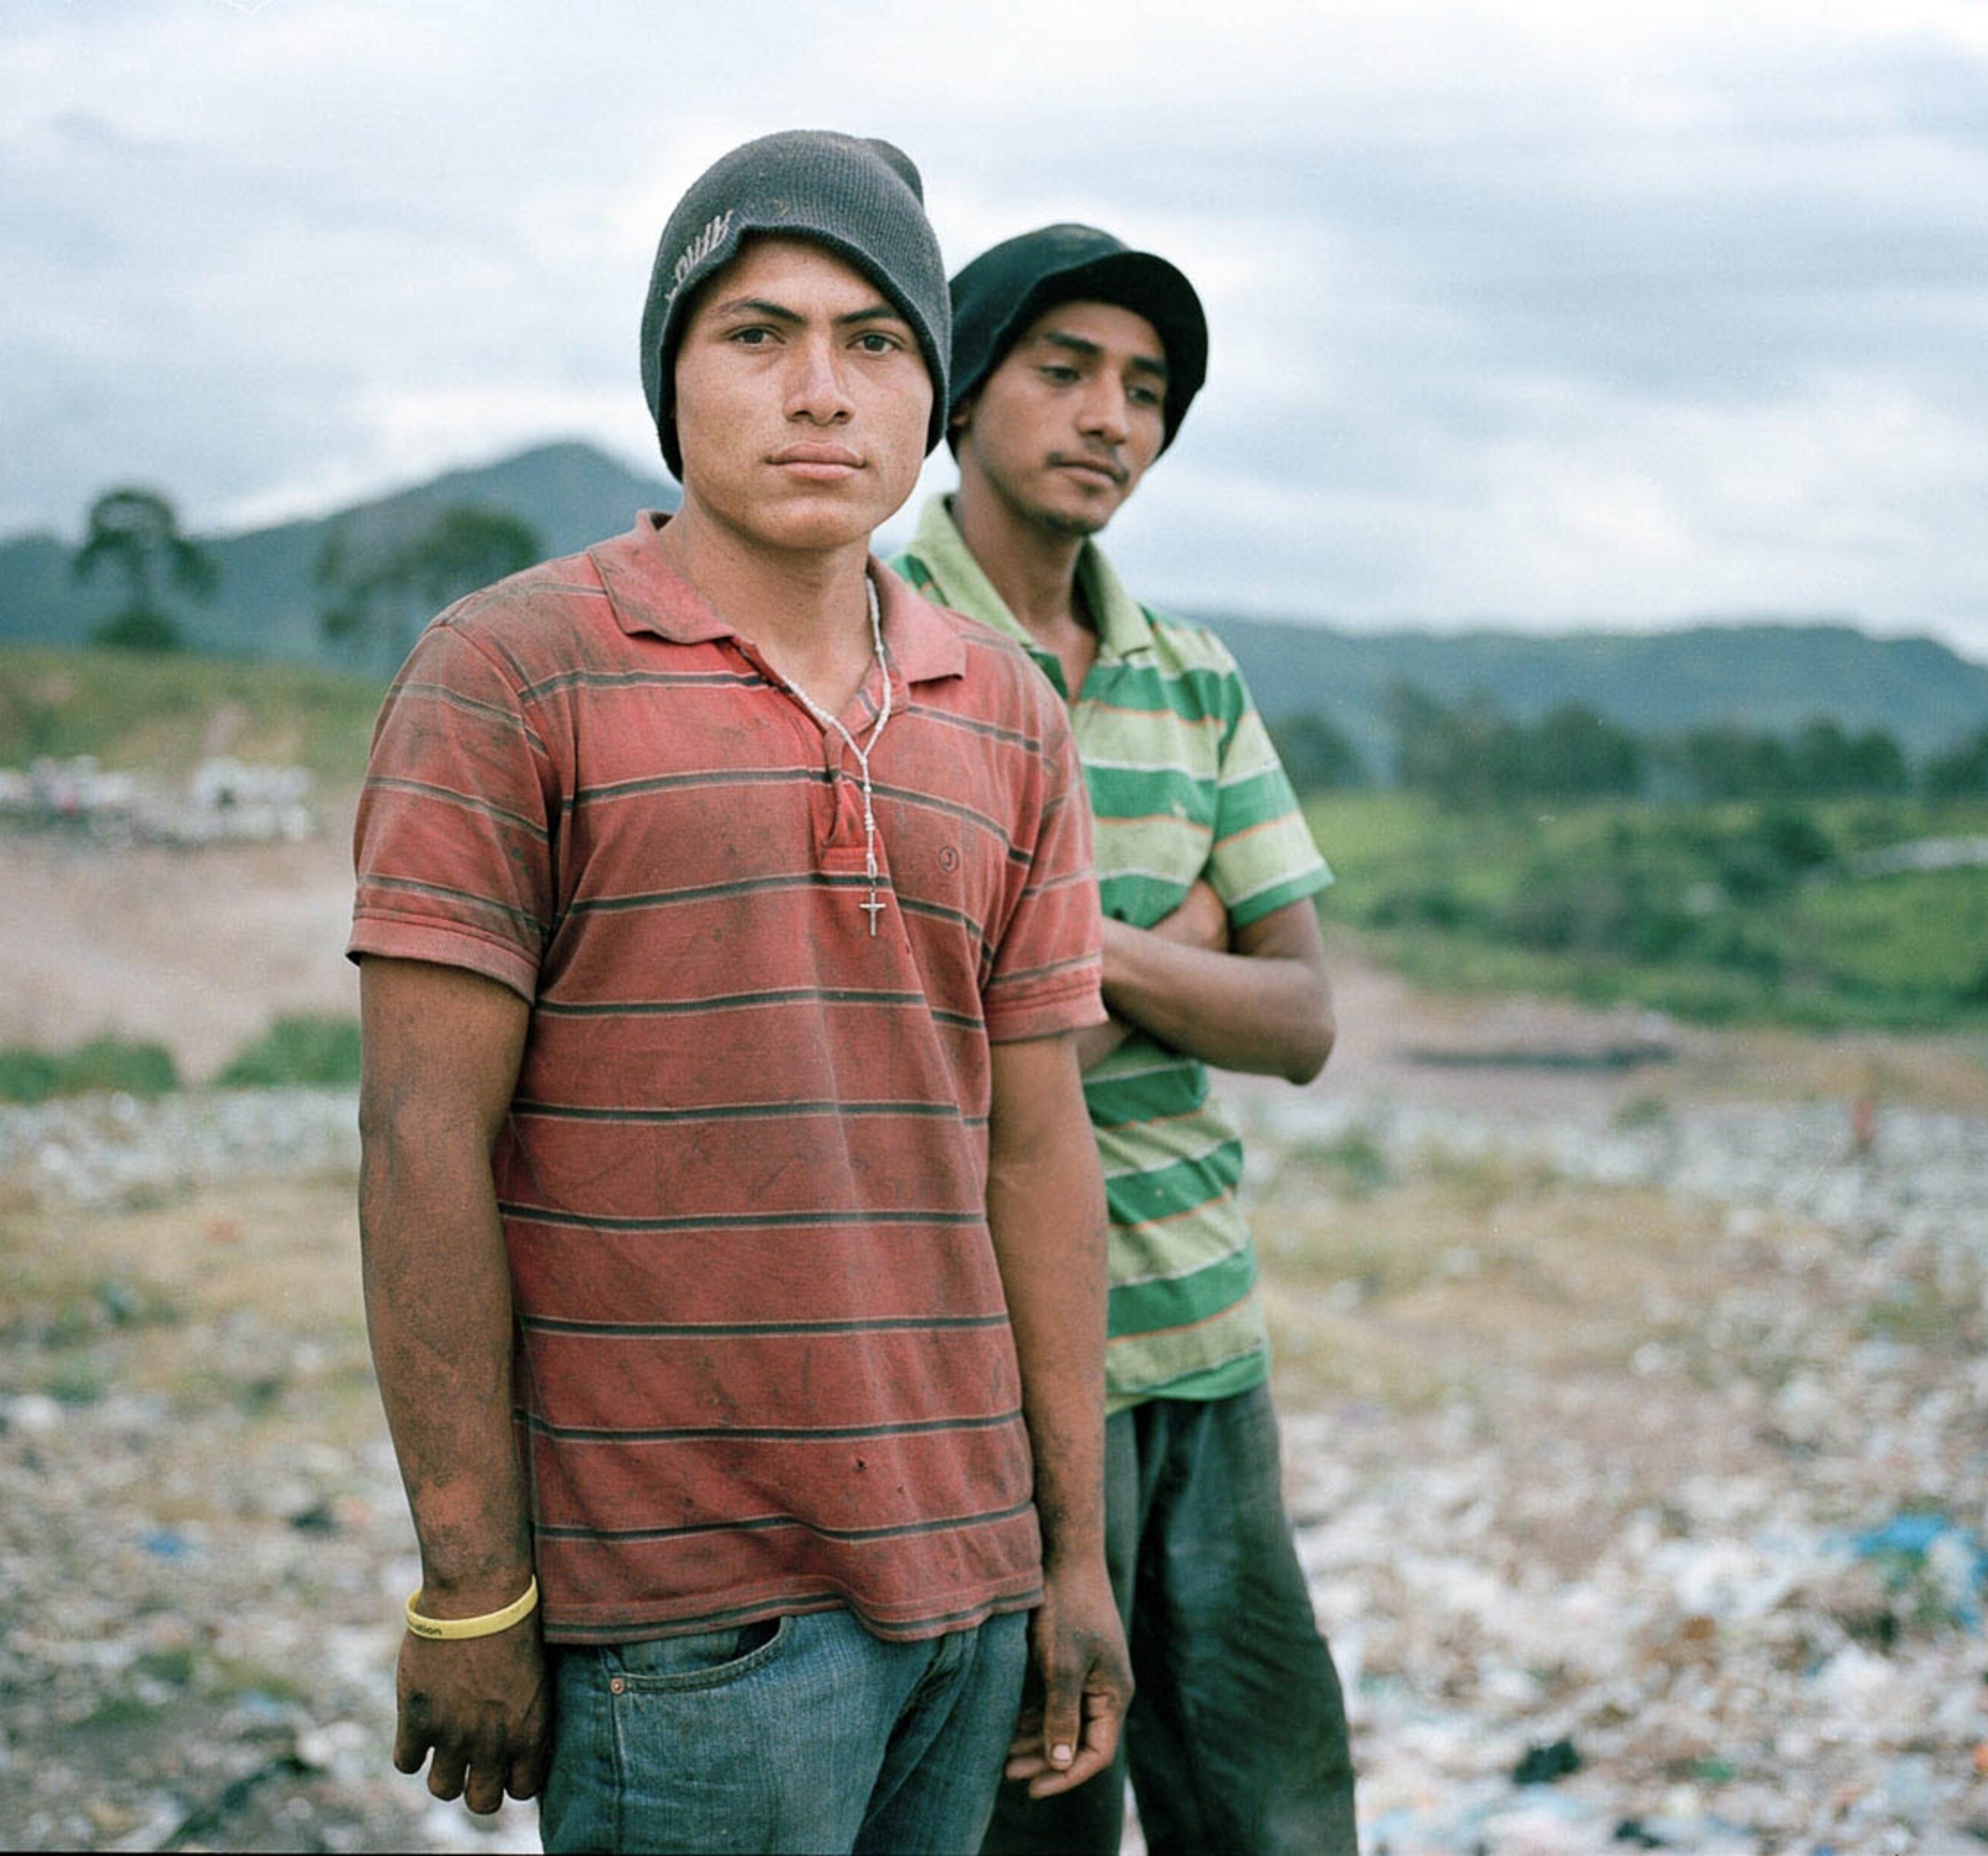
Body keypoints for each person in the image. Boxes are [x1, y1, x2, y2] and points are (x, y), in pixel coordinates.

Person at [349, 137, 1131, 1855]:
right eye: (756, 335)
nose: (820, 392)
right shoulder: (510, 672)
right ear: (669, 376)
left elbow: (1039, 1154)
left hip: (967, 1591)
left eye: (875, 344)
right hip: (686, 1623)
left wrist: (1070, 1558)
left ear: (929, 400)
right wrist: (473, 1583)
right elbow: (421, 1136)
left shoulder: (1005, 715)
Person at [893, 223, 1358, 1856]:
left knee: (1277, 1809)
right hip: (988, 1357)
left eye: (1148, 392)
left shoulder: (1193, 676)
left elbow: (1300, 1023)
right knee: (1038, 1821)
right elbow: (917, 1070)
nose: (1112, 419)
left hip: (1205, 1334)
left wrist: (1064, 951)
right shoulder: (876, 649)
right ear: (958, 394)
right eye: (1067, 371)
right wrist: (1184, 950)